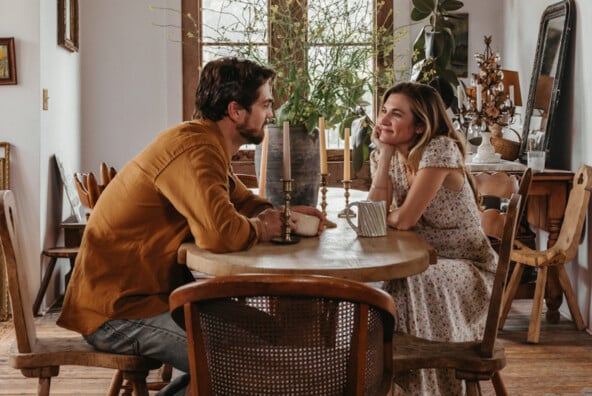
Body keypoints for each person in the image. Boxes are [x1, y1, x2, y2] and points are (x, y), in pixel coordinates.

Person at [57, 57, 323, 396]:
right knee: (245, 368)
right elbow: (219, 234)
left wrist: (284, 214)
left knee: (269, 335)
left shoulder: (207, 144)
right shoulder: (196, 148)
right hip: (117, 312)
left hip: (156, 299)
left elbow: (241, 202)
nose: (271, 114)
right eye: (266, 104)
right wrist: (264, 227)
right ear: (235, 111)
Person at [367, 82, 497, 395]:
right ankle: (382, 373)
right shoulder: (396, 156)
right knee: (391, 281)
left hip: (468, 268)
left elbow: (404, 218)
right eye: (384, 111)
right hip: (430, 261)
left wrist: (391, 217)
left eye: (396, 114)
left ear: (421, 124)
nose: (383, 119)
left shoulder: (439, 149)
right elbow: (373, 220)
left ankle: (424, 387)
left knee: (407, 279)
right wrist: (384, 155)